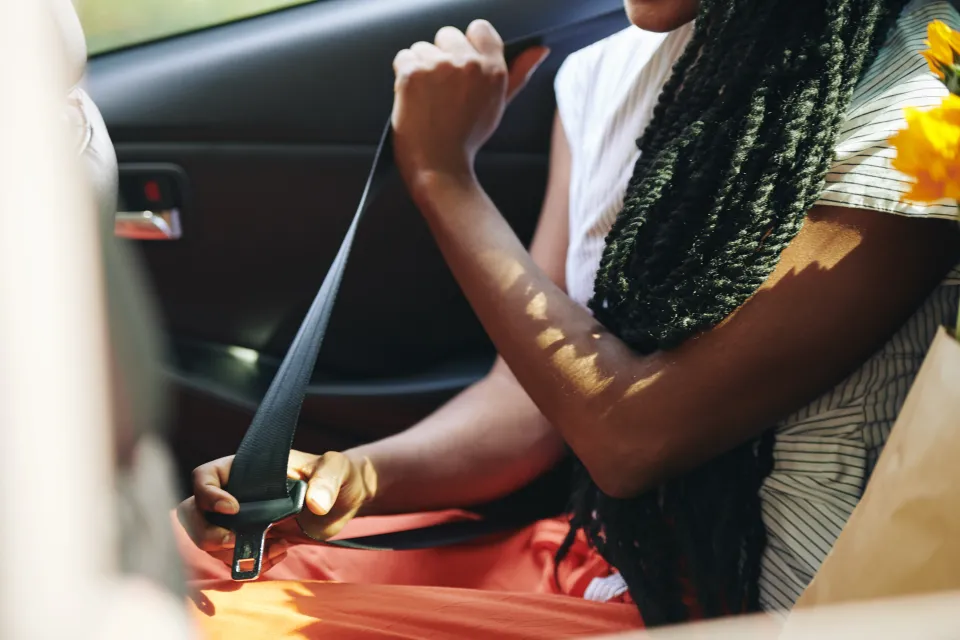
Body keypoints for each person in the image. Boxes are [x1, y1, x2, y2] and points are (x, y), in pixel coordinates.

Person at [177, 0, 960, 635]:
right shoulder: (596, 75)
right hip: (610, 558)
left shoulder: (926, 108)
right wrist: (352, 479)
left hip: (751, 608)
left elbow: (631, 436)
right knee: (177, 567)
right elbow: (530, 404)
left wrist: (444, 177)